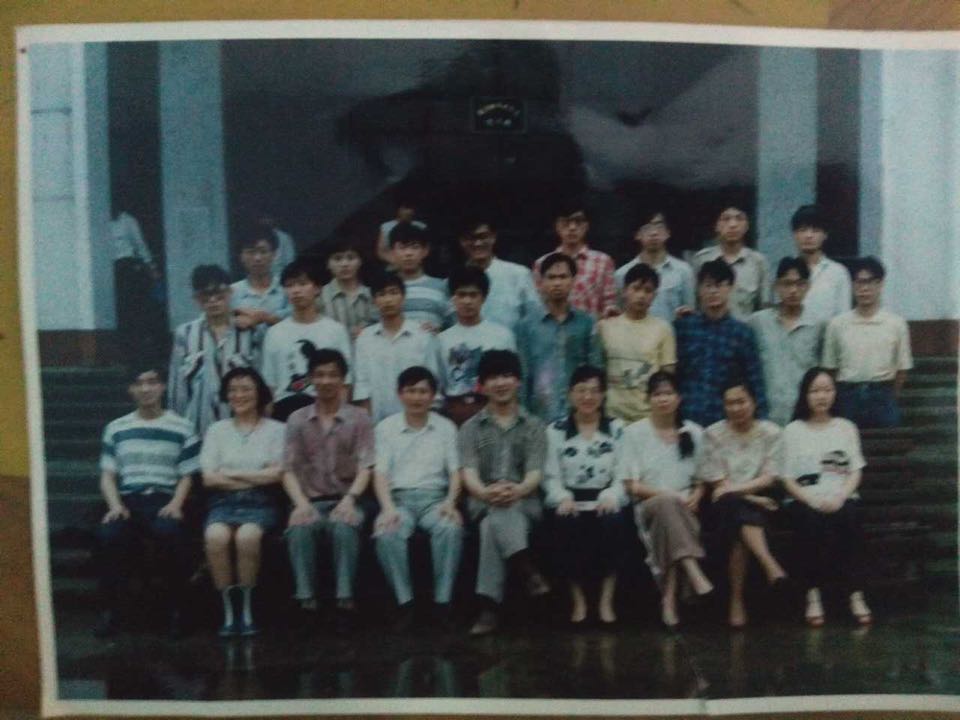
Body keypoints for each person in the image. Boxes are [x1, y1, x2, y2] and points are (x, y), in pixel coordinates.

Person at [95, 366, 200, 638]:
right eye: (139, 383)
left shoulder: (182, 426)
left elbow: (187, 475)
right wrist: (115, 506)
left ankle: (177, 611)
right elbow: (107, 476)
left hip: (165, 500)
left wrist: (176, 504)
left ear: (162, 387)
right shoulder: (116, 428)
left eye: (152, 382)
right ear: (131, 390)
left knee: (171, 534)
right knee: (109, 536)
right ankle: (111, 611)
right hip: (128, 500)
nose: (146, 389)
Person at [459, 350, 550, 636]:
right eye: (493, 378)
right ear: (482, 385)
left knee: (492, 524)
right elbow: (469, 473)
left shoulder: (534, 425)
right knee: (494, 514)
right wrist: (486, 492)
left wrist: (517, 490)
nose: (500, 383)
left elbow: (535, 472)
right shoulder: (470, 428)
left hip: (524, 500)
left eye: (507, 376)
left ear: (518, 381)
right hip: (482, 499)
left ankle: (489, 608)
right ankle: (527, 570)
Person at [282, 349, 375, 625]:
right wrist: (300, 504)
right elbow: (287, 470)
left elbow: (367, 466)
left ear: (343, 379)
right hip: (310, 499)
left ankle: (345, 601)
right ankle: (306, 602)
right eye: (319, 375)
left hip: (349, 498)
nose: (326, 381)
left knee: (344, 525)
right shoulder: (297, 419)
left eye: (333, 375)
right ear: (311, 379)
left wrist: (350, 500)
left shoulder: (359, 418)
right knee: (299, 527)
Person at [372, 366, 464, 630]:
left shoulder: (446, 427)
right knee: (386, 532)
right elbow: (380, 473)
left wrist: (450, 502)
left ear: (433, 395)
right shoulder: (386, 428)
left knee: (450, 528)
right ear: (400, 394)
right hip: (398, 499)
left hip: (435, 499)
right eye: (410, 391)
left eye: (423, 391)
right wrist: (387, 508)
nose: (416, 397)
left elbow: (455, 472)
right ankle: (405, 603)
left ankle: (443, 602)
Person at [780, 368, 871, 627]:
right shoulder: (793, 430)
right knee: (810, 522)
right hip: (805, 500)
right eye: (815, 391)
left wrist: (841, 496)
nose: (822, 396)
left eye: (827, 390)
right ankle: (813, 595)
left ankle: (856, 595)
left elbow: (855, 470)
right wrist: (811, 500)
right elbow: (786, 478)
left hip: (841, 496)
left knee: (851, 517)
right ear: (805, 395)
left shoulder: (845, 428)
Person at [623, 371, 714, 629]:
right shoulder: (634, 433)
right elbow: (630, 484)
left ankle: (669, 598)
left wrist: (697, 495)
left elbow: (702, 478)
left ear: (678, 398)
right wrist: (666, 495)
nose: (663, 399)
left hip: (686, 508)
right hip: (648, 505)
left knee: (670, 518)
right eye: (657, 394)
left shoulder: (693, 432)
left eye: (668, 393)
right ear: (648, 399)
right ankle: (693, 572)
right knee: (666, 505)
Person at [200, 367, 286, 636]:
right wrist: (255, 476)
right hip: (222, 502)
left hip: (262, 502)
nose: (239, 395)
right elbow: (209, 478)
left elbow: (277, 475)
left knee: (247, 537)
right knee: (215, 536)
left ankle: (247, 610)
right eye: (233, 390)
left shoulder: (277, 430)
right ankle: (229, 612)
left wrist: (232, 474)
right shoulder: (217, 430)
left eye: (246, 389)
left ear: (259, 393)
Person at [543, 366, 629, 625]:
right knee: (564, 523)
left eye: (594, 391)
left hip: (606, 498)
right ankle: (578, 599)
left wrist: (612, 495)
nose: (587, 397)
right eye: (581, 391)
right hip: (570, 499)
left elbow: (624, 472)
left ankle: (606, 600)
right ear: (570, 394)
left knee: (613, 522)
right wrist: (562, 497)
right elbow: (550, 476)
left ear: (603, 395)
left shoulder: (617, 428)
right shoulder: (556, 430)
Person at [700, 378, 789, 628]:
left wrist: (739, 493)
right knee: (735, 510)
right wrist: (752, 497)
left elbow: (769, 478)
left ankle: (736, 600)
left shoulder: (772, 433)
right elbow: (718, 483)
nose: (736, 408)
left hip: (762, 506)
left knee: (739, 526)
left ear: (753, 402)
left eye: (741, 401)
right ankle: (770, 566)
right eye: (729, 403)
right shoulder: (713, 434)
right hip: (729, 507)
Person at [168, 265, 261, 437]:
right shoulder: (185, 334)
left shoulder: (249, 332)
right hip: (197, 432)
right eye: (205, 295)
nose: (212, 300)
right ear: (196, 298)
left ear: (230, 292)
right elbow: (177, 389)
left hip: (243, 430)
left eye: (219, 294)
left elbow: (261, 383)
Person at [821, 257, 913, 429]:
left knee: (887, 444)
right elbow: (830, 368)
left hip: (883, 398)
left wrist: (887, 395)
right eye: (859, 282)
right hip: (847, 397)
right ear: (852, 285)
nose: (864, 288)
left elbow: (902, 369)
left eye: (870, 282)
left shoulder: (896, 324)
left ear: (880, 284)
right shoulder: (837, 324)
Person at [674, 259, 767, 427]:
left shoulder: (742, 333)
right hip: (686, 419)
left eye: (719, 285)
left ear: (730, 288)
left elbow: (755, 381)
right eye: (707, 285)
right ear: (699, 290)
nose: (713, 291)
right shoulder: (684, 327)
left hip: (726, 422)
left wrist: (761, 422)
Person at [260, 259, 353, 421]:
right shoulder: (274, 333)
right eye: (290, 285)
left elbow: (345, 382)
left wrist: (337, 418)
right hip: (284, 411)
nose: (296, 291)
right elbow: (270, 386)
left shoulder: (335, 330)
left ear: (317, 288)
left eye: (303, 284)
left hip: (324, 410)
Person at [517, 252, 600, 422]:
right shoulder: (526, 326)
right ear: (541, 282)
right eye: (551, 277)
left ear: (573, 280)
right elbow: (523, 374)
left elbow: (596, 369)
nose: (557, 283)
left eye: (563, 277)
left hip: (579, 414)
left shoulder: (586, 323)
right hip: (539, 414)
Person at [353, 271, 440, 423]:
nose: (388, 300)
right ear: (374, 301)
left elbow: (432, 380)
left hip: (418, 420)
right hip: (377, 421)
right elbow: (362, 386)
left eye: (393, 293)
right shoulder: (364, 339)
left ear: (403, 297)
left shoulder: (422, 336)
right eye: (381, 294)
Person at [748, 258, 824, 426]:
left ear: (808, 286)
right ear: (776, 286)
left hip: (805, 416)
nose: (793, 290)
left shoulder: (818, 325)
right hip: (766, 415)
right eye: (787, 284)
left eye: (799, 284)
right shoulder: (758, 323)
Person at [437, 265, 516, 426]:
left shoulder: (502, 336)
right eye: (461, 295)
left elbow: (514, 379)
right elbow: (438, 385)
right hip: (455, 411)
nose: (467, 301)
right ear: (453, 298)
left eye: (473, 295)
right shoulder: (442, 340)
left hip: (493, 409)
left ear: (484, 297)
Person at [597, 263, 676, 422]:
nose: (641, 295)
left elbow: (668, 376)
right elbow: (598, 371)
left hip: (647, 417)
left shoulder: (663, 328)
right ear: (624, 291)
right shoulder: (605, 326)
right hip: (611, 416)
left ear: (654, 295)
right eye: (636, 288)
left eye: (648, 290)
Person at [533, 201, 618, 319]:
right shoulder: (542, 263)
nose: (572, 227)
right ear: (557, 226)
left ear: (586, 226)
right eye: (566, 222)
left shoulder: (603, 262)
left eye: (578, 222)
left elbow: (610, 304)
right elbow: (537, 305)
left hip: (591, 328)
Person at [458, 216, 542, 333]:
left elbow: (535, 317)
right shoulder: (454, 280)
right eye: (471, 238)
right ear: (462, 241)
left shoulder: (519, 274)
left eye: (483, 237)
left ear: (493, 237)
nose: (477, 243)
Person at [692, 204, 772, 319]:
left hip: (745, 329)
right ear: (716, 226)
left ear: (747, 226)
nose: (733, 225)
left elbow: (765, 309)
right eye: (726, 219)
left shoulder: (758, 262)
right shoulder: (701, 260)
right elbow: (694, 305)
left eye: (739, 219)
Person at [615, 210, 695, 323]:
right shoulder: (622, 274)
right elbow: (619, 315)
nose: (654, 233)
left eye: (659, 227)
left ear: (668, 233)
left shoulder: (683, 271)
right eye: (647, 228)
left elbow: (690, 311)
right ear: (637, 235)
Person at [791, 205, 852, 325]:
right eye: (803, 230)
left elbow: (843, 318)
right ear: (794, 234)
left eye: (815, 230)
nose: (808, 235)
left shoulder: (838, 273)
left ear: (825, 235)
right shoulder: (786, 272)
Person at [389, 223, 449, 333]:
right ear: (392, 252)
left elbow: (455, 324)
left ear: (425, 251)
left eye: (414, 247)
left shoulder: (441, 286)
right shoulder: (385, 290)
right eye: (402, 247)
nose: (408, 253)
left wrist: (440, 331)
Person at [230, 220, 289, 330]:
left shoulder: (287, 288)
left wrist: (264, 318)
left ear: (274, 254)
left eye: (263, 251)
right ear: (241, 256)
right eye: (251, 252)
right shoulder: (231, 292)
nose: (257, 258)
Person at [320, 238, 377, 342]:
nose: (344, 264)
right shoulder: (319, 296)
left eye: (351, 258)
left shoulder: (372, 295)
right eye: (337, 259)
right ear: (327, 264)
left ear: (360, 261)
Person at [377, 195, 427, 265]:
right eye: (405, 208)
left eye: (411, 208)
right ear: (398, 210)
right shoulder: (386, 227)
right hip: (394, 264)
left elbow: (426, 247)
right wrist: (397, 262)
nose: (409, 211)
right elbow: (381, 251)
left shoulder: (421, 226)